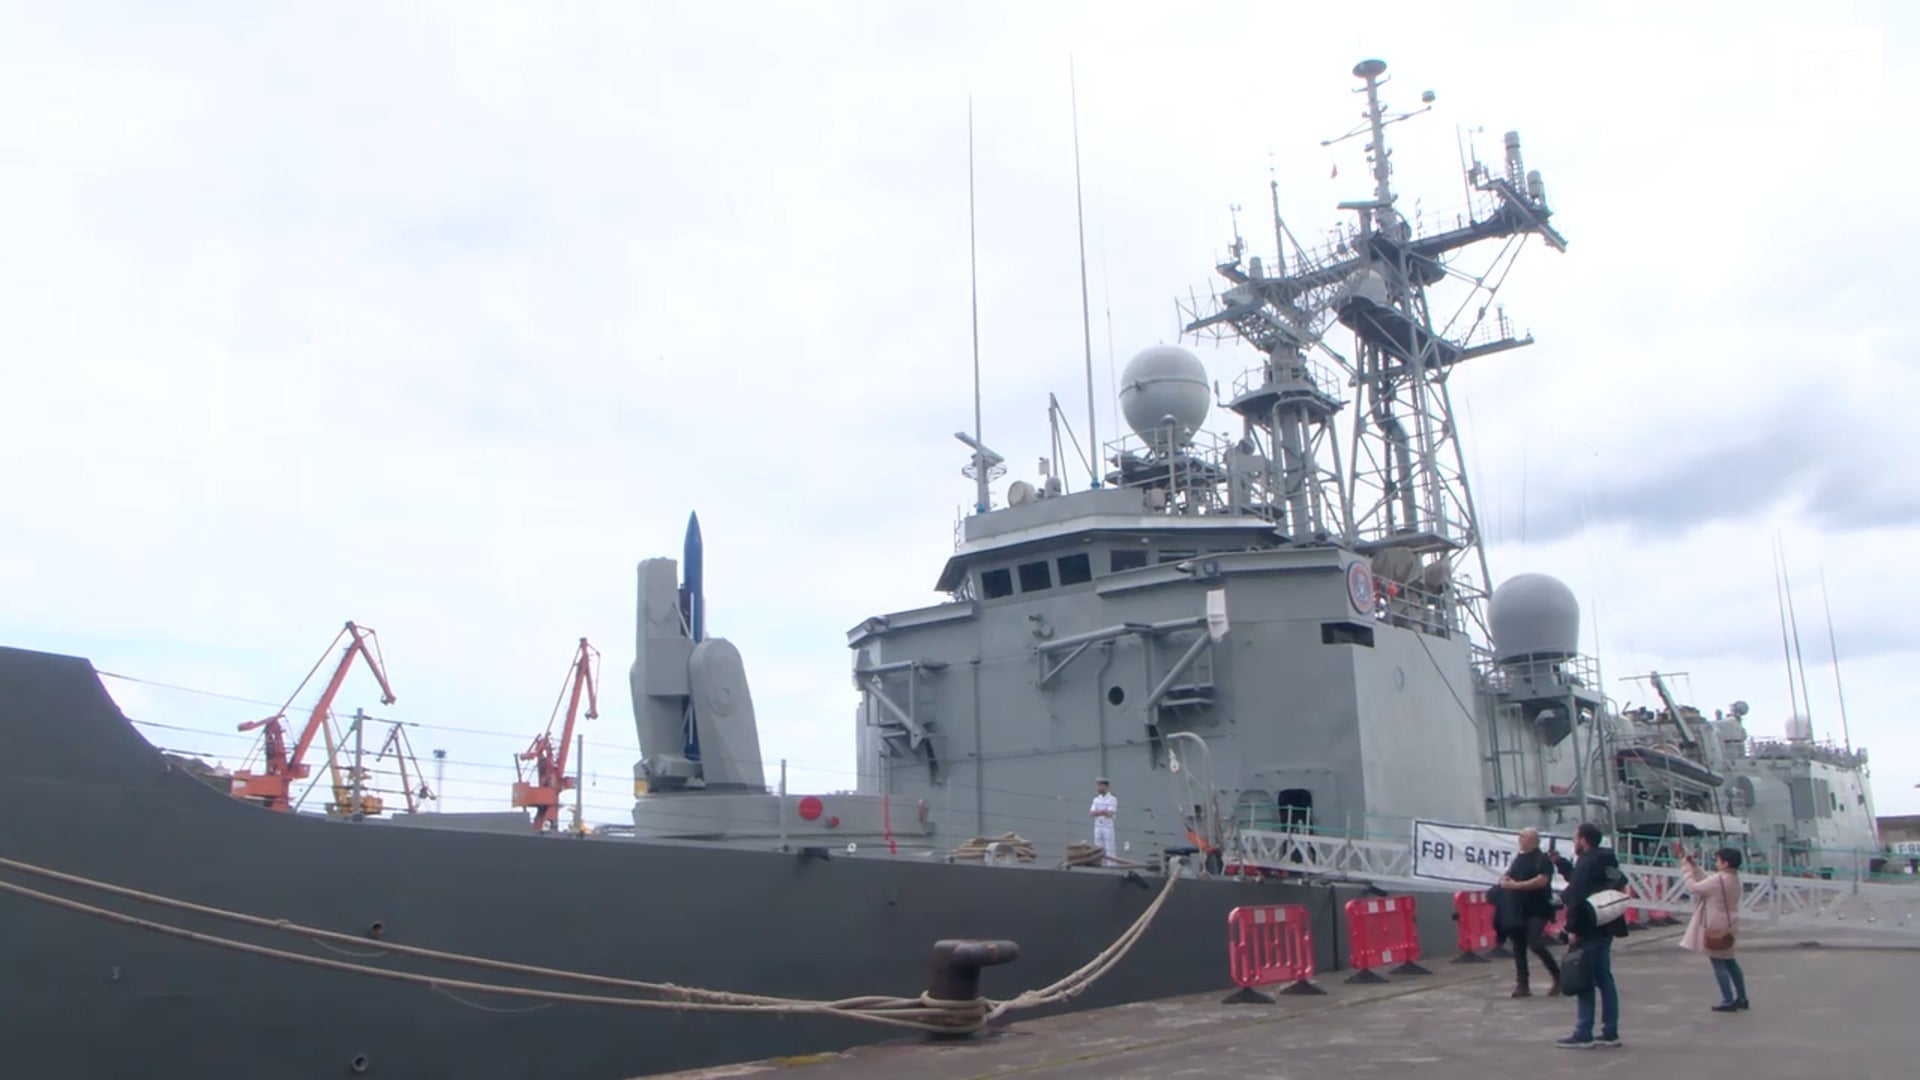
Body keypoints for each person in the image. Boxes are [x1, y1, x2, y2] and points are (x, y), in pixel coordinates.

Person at [1548, 822, 1627, 1049]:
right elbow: (1600, 883)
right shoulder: (1607, 859)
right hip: (1607, 923)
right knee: (1605, 978)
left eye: (1575, 838)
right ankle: (1610, 1031)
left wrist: (1572, 929)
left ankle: (1583, 1032)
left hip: (1589, 926)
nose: (1574, 843)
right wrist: (1562, 865)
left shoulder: (1586, 861)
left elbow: (1577, 896)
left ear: (1583, 840)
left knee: (1584, 978)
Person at [1677, 842, 1749, 1011]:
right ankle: (1742, 997)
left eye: (1718, 861)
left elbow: (1694, 887)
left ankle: (1727, 999)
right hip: (1730, 923)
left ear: (1725, 863)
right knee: (1730, 961)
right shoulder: (1733, 878)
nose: (1716, 863)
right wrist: (1695, 867)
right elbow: (1708, 881)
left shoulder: (1719, 879)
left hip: (1715, 923)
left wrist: (1687, 870)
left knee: (1718, 962)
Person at [1497, 826, 1562, 997]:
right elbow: (1509, 874)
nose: (1519, 839)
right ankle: (1523, 985)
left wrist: (1517, 886)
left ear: (1532, 840)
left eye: (1522, 837)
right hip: (1518, 909)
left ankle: (1558, 976)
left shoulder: (1542, 859)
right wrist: (1505, 880)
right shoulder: (1519, 858)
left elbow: (1541, 880)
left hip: (1537, 908)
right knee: (1518, 947)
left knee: (1535, 943)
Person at [1089, 778, 1117, 865]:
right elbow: (1091, 813)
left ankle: (1111, 867)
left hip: (1107, 825)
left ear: (1105, 786)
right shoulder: (1096, 799)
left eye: (1100, 785)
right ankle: (1099, 865)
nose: (1098, 788)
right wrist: (1102, 811)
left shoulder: (1112, 799)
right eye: (1098, 785)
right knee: (1097, 847)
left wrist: (1098, 812)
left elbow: (1110, 813)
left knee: (1109, 848)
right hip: (1098, 825)